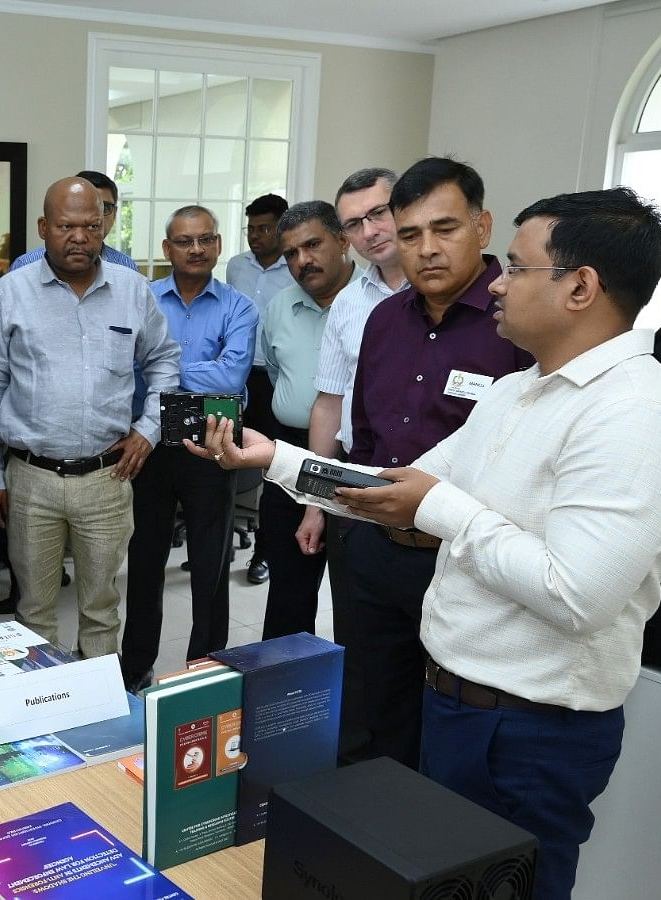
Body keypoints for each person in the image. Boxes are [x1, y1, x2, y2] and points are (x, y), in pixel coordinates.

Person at [193, 186, 661, 900]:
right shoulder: (521, 391)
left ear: (581, 288)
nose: (498, 282)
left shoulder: (637, 417)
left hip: (532, 731)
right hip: (455, 703)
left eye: (519, 269)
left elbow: (576, 593)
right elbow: (398, 486)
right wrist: (275, 461)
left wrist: (444, 511)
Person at [345, 157, 533, 768]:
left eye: (444, 229)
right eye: (409, 235)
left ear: (483, 227)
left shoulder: (521, 327)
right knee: (371, 716)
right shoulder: (381, 321)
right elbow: (368, 433)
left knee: (455, 735)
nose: (425, 250)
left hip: (464, 564)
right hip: (374, 554)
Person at [0, 176, 180, 657]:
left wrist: (148, 431)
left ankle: (97, 720)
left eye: (91, 225)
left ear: (104, 225)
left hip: (107, 477)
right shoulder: (9, 293)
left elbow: (165, 361)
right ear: (44, 227)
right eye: (67, 226)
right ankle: (39, 716)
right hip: (31, 477)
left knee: (102, 607)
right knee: (34, 611)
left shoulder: (133, 291)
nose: (80, 238)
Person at [120, 205, 255, 689]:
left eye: (205, 239)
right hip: (151, 440)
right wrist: (197, 371)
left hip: (214, 442)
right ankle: (135, 667)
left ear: (218, 245)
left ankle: (206, 669)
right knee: (145, 559)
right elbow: (127, 367)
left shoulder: (240, 306)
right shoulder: (144, 298)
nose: (196, 249)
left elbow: (233, 374)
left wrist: (161, 368)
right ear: (166, 249)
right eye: (184, 241)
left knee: (211, 564)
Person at [303, 167, 408, 760]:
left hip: (436, 507)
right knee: (363, 657)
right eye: (353, 223)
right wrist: (316, 500)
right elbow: (328, 403)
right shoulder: (350, 303)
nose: (370, 231)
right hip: (356, 494)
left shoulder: (451, 298)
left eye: (380, 213)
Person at [257, 201, 360, 639]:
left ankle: (352, 702)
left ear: (342, 239)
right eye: (291, 254)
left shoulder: (380, 304)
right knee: (287, 591)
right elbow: (279, 376)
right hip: (290, 456)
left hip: (357, 459)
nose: (302, 260)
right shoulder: (280, 306)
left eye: (313, 245)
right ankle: (283, 701)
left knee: (357, 597)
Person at [225, 192, 296, 585]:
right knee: (223, 454)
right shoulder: (236, 266)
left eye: (264, 228)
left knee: (272, 468)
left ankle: (263, 554)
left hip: (273, 379)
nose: (256, 236)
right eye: (251, 229)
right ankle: (216, 547)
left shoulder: (294, 270)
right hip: (234, 377)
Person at [9, 170, 139, 274]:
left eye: (104, 207)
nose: (79, 237)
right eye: (82, 204)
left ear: (115, 213)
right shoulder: (24, 266)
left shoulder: (127, 269)